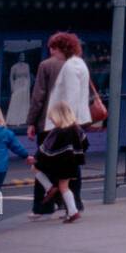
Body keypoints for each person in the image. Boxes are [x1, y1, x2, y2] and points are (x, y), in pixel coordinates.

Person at [27, 33, 86, 219]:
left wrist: (31, 121)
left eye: (52, 47)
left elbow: (39, 96)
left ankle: (43, 206)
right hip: (72, 123)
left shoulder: (46, 65)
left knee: (43, 163)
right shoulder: (79, 66)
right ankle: (73, 205)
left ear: (56, 48)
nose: (50, 50)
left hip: (49, 123)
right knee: (71, 165)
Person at [32, 101, 88, 224]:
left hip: (59, 164)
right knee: (65, 187)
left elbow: (46, 148)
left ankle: (50, 188)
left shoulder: (58, 132)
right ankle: (72, 211)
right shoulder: (77, 128)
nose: (52, 121)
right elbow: (85, 143)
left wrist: (36, 158)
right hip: (72, 164)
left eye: (52, 118)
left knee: (35, 168)